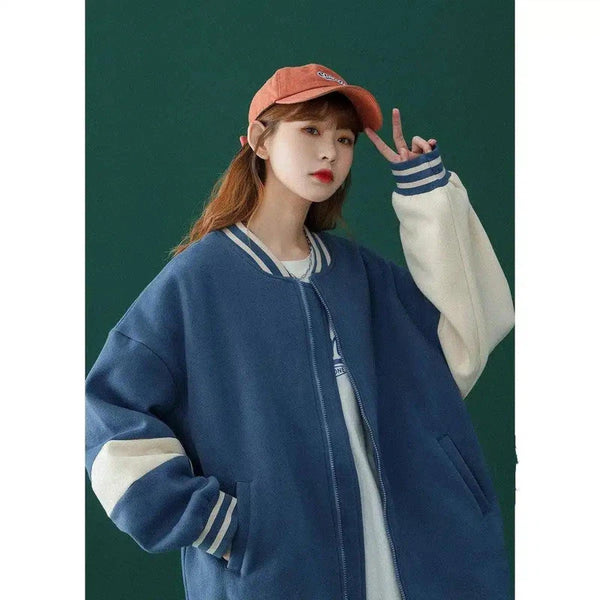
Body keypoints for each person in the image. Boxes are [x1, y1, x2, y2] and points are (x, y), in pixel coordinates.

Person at [85, 63, 515, 600]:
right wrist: (216, 523)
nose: (330, 152)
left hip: (407, 554)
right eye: (310, 130)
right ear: (260, 140)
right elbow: (107, 413)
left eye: (344, 138)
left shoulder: (358, 274)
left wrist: (428, 198)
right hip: (280, 566)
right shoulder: (198, 282)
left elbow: (466, 334)